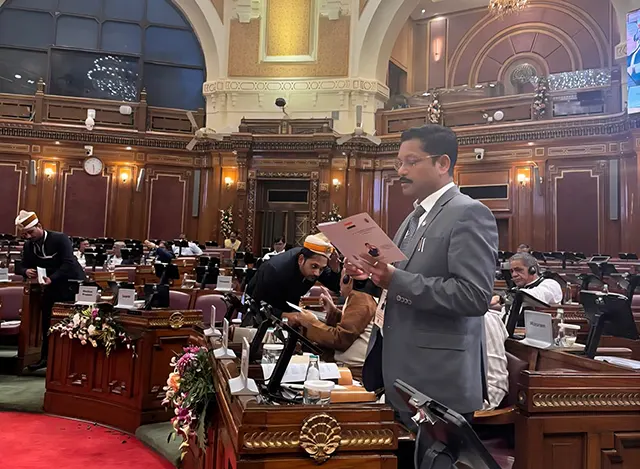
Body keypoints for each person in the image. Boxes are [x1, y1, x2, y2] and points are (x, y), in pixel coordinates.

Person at [346, 124, 498, 423]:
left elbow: (474, 296)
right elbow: (401, 283)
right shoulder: (413, 218)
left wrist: (395, 279)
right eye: (398, 163)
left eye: (411, 162)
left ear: (442, 163)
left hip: (438, 381)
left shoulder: (469, 212)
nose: (401, 171)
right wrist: (371, 277)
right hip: (403, 374)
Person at [14, 210, 86, 371]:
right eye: (25, 234)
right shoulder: (29, 245)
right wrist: (26, 271)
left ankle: (70, 362)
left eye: (31, 232)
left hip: (71, 284)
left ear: (39, 226)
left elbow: (68, 263)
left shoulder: (60, 238)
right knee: (47, 322)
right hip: (49, 286)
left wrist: (52, 278)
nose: (28, 236)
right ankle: (45, 358)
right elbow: (21, 266)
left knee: (71, 323)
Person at [296, 271, 377, 367]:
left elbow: (341, 339)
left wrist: (310, 322)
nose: (339, 283)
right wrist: (333, 311)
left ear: (347, 279)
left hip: (353, 370)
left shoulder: (361, 298)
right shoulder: (361, 295)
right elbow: (354, 325)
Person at [245, 234, 341, 315]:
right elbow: (261, 304)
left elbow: (335, 286)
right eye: (314, 266)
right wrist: (286, 315)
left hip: (290, 304)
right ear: (301, 259)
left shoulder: (318, 264)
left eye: (322, 269)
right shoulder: (275, 269)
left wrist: (335, 269)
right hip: (259, 303)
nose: (317, 273)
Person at [491, 252, 563, 307]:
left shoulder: (550, 284)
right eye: (512, 271)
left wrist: (502, 298)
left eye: (518, 270)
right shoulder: (516, 289)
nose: (514, 275)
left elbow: (537, 296)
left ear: (532, 270)